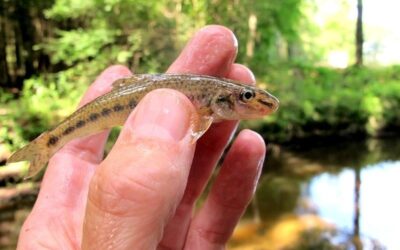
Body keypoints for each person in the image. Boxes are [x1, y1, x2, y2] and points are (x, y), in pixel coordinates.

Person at [17, 25, 266, 249]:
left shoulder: (213, 94)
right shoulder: (211, 95)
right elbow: (199, 121)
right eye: (246, 96)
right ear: (223, 98)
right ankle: (50, 142)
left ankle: (50, 141)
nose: (252, 102)